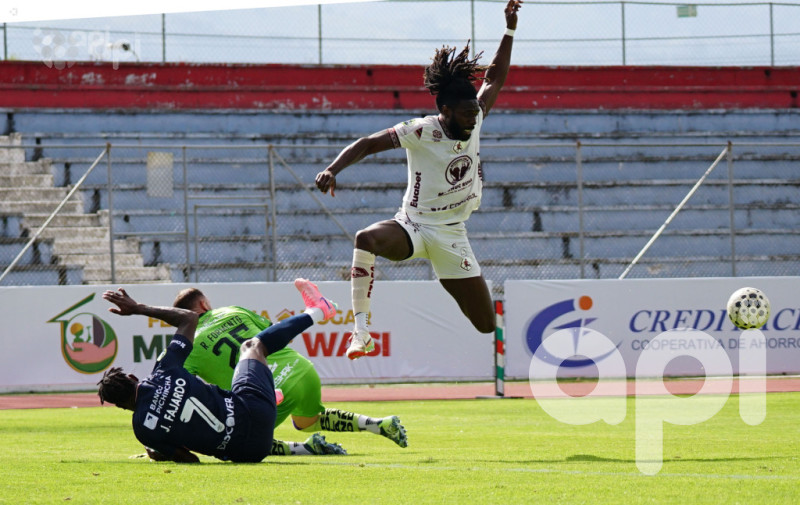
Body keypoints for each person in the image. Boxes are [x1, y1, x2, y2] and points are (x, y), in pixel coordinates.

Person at [315, 0, 522, 360]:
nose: (473, 120)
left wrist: (509, 29)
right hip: (413, 225)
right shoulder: (420, 130)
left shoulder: (475, 117)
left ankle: (448, 273)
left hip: (451, 233)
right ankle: (361, 333)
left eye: (475, 113)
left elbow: (493, 79)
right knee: (366, 238)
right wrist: (333, 169)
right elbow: (368, 143)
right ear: (445, 110)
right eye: (465, 114)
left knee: (486, 324)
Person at [96, 284, 337, 463]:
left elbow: (190, 459)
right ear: (132, 378)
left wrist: (157, 452)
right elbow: (189, 318)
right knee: (251, 346)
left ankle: (266, 391)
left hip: (251, 452)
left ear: (120, 406)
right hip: (256, 411)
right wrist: (138, 308)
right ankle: (318, 311)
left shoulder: (143, 430)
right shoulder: (165, 371)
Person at [175, 278, 408, 454]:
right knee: (308, 421)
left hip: (267, 394)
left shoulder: (190, 344)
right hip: (303, 370)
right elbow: (279, 336)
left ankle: (303, 448)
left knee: (238, 437)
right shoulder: (233, 311)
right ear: (204, 304)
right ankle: (379, 424)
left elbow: (178, 384)